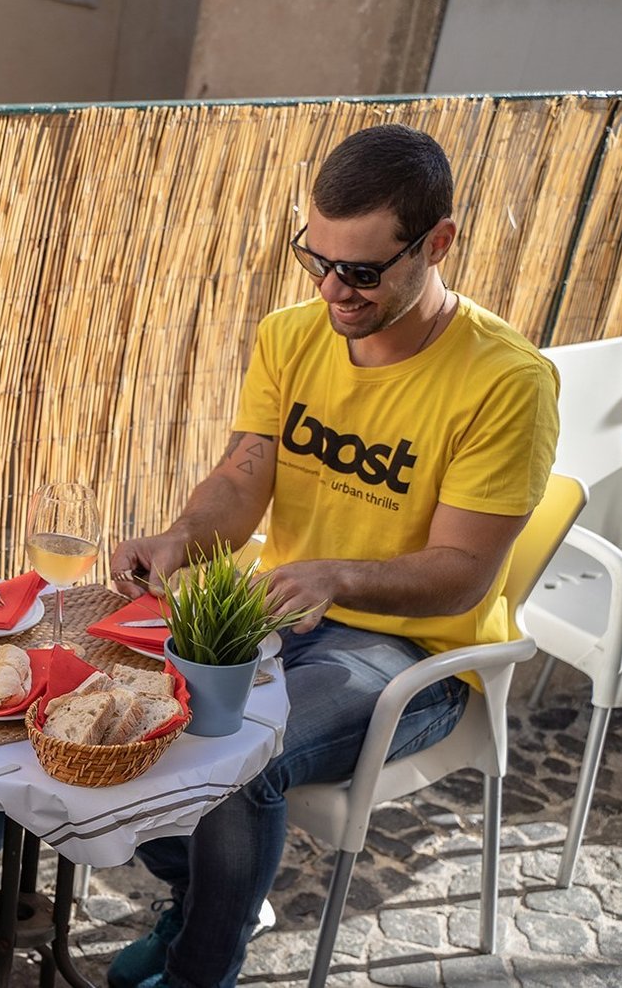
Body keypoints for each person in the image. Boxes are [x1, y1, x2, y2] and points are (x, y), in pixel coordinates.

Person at [106, 124, 559, 988]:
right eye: (316, 259)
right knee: (128, 715)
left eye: (360, 270)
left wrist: (338, 575)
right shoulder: (292, 332)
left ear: (438, 244)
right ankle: (208, 900)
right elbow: (241, 484)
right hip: (282, 617)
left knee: (236, 759)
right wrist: (177, 540)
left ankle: (205, 966)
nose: (330, 288)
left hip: (415, 651)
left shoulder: (508, 381)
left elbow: (463, 573)